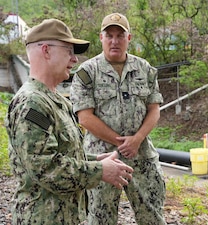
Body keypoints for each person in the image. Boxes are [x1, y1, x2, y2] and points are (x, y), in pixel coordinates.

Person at [5, 18, 134, 225]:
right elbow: (46, 169)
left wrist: (95, 159)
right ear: (46, 51)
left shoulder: (53, 99)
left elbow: (60, 152)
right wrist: (100, 171)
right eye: (68, 51)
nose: (74, 60)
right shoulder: (32, 103)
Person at [70, 13, 166, 224]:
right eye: (109, 35)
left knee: (152, 214)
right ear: (101, 38)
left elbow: (154, 109)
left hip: (141, 156)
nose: (115, 41)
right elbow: (85, 117)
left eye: (120, 35)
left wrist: (137, 139)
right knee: (100, 217)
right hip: (101, 158)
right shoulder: (87, 73)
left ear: (129, 38)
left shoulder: (145, 69)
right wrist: (121, 143)